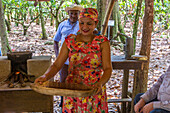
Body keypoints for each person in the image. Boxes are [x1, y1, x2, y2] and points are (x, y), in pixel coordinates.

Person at [35, 8, 112, 112]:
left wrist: (101, 83)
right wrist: (45, 76)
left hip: (93, 90)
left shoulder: (102, 42)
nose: (85, 27)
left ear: (96, 23)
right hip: (72, 89)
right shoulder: (70, 41)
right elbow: (57, 65)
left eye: (89, 23)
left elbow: (108, 69)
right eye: (82, 23)